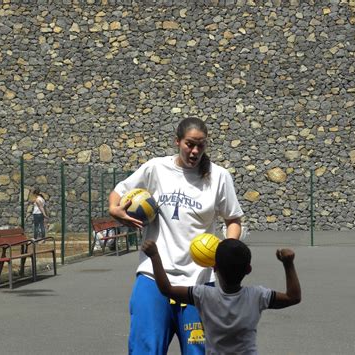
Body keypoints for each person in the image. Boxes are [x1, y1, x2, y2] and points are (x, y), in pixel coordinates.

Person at [109, 117, 244, 354]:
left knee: (198, 352)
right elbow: (120, 191)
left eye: (200, 146)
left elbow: (233, 219)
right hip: (153, 277)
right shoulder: (156, 168)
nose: (194, 151)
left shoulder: (219, 176)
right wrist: (114, 209)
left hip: (200, 283)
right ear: (177, 141)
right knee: (145, 349)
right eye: (189, 144)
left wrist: (227, 251)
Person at [142, 239, 302, 354]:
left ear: (214, 268)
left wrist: (155, 256)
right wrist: (288, 264)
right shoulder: (258, 296)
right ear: (248, 269)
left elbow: (167, 289)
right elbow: (293, 297)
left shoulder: (203, 295)